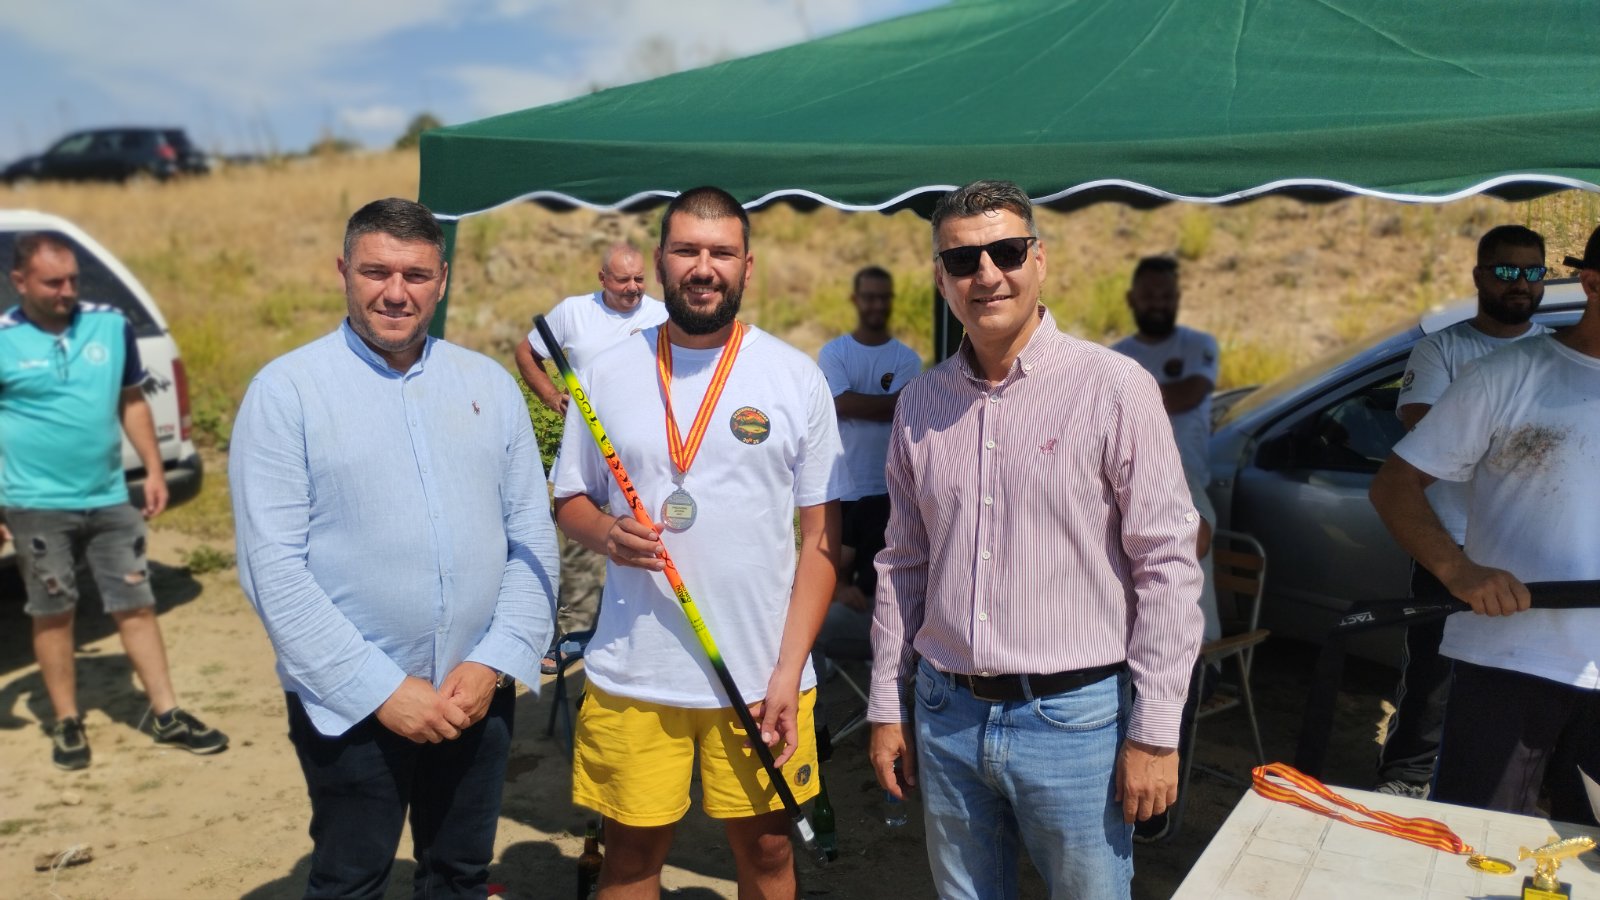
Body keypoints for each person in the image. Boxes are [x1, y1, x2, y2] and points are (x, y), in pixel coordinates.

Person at [868, 180, 1203, 899]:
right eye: (963, 260)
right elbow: (904, 564)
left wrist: (1154, 730)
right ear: (941, 279)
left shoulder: (1114, 388)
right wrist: (887, 704)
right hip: (946, 715)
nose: (987, 274)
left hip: (1075, 723)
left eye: (1007, 252)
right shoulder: (919, 405)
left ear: (1039, 260)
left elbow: (1166, 565)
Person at [230, 198, 559, 897]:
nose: (395, 292)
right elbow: (271, 569)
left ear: (442, 280)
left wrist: (494, 660)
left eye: (415, 274)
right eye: (376, 271)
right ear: (343, 271)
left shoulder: (488, 386)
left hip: (475, 694)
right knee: (351, 880)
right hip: (349, 701)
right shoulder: (287, 393)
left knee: (460, 874)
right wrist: (380, 689)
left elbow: (532, 535)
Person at [551, 186, 845, 899]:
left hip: (761, 677)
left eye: (721, 253)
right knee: (629, 859)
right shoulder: (604, 371)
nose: (703, 268)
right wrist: (607, 533)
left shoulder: (795, 377)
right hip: (634, 673)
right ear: (659, 262)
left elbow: (821, 542)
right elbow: (568, 500)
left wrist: (789, 671)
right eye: (686, 251)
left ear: (748, 265)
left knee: (768, 854)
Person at [1368, 224, 1600, 825]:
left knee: (1587, 852)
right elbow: (1394, 485)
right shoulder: (1504, 374)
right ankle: (1406, 773)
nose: (1519, 283)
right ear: (1591, 283)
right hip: (1511, 655)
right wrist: (1458, 569)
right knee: (1475, 846)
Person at [0, 232, 227, 771]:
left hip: (108, 497)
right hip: (34, 503)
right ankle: (67, 721)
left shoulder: (110, 325)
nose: (67, 291)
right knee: (54, 612)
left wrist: (153, 470)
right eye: (53, 282)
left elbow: (132, 401)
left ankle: (167, 713)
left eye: (73, 280)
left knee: (136, 603)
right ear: (20, 282)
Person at [514, 244, 667, 674]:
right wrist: (551, 396)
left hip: (641, 453)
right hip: (585, 451)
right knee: (580, 544)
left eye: (639, 279)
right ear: (602, 279)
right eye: (623, 280)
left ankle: (637, 634)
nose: (633, 288)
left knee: (643, 542)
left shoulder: (662, 316)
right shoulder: (573, 312)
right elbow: (526, 353)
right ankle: (573, 638)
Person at [812, 266, 921, 670]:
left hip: (888, 487)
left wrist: (860, 402)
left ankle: (883, 662)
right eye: (870, 297)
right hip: (843, 484)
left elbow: (902, 408)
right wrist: (886, 403)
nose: (877, 305)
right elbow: (839, 404)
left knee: (881, 583)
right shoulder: (835, 352)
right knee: (831, 574)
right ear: (855, 300)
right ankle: (825, 664)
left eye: (883, 297)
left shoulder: (906, 358)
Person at [1110, 255, 1218, 477]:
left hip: (1188, 483)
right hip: (1133, 482)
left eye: (1167, 296)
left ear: (1178, 299)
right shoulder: (1113, 355)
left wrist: (1122, 397)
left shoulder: (1198, 344)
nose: (1158, 304)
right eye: (1149, 296)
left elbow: (1189, 394)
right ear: (1131, 299)